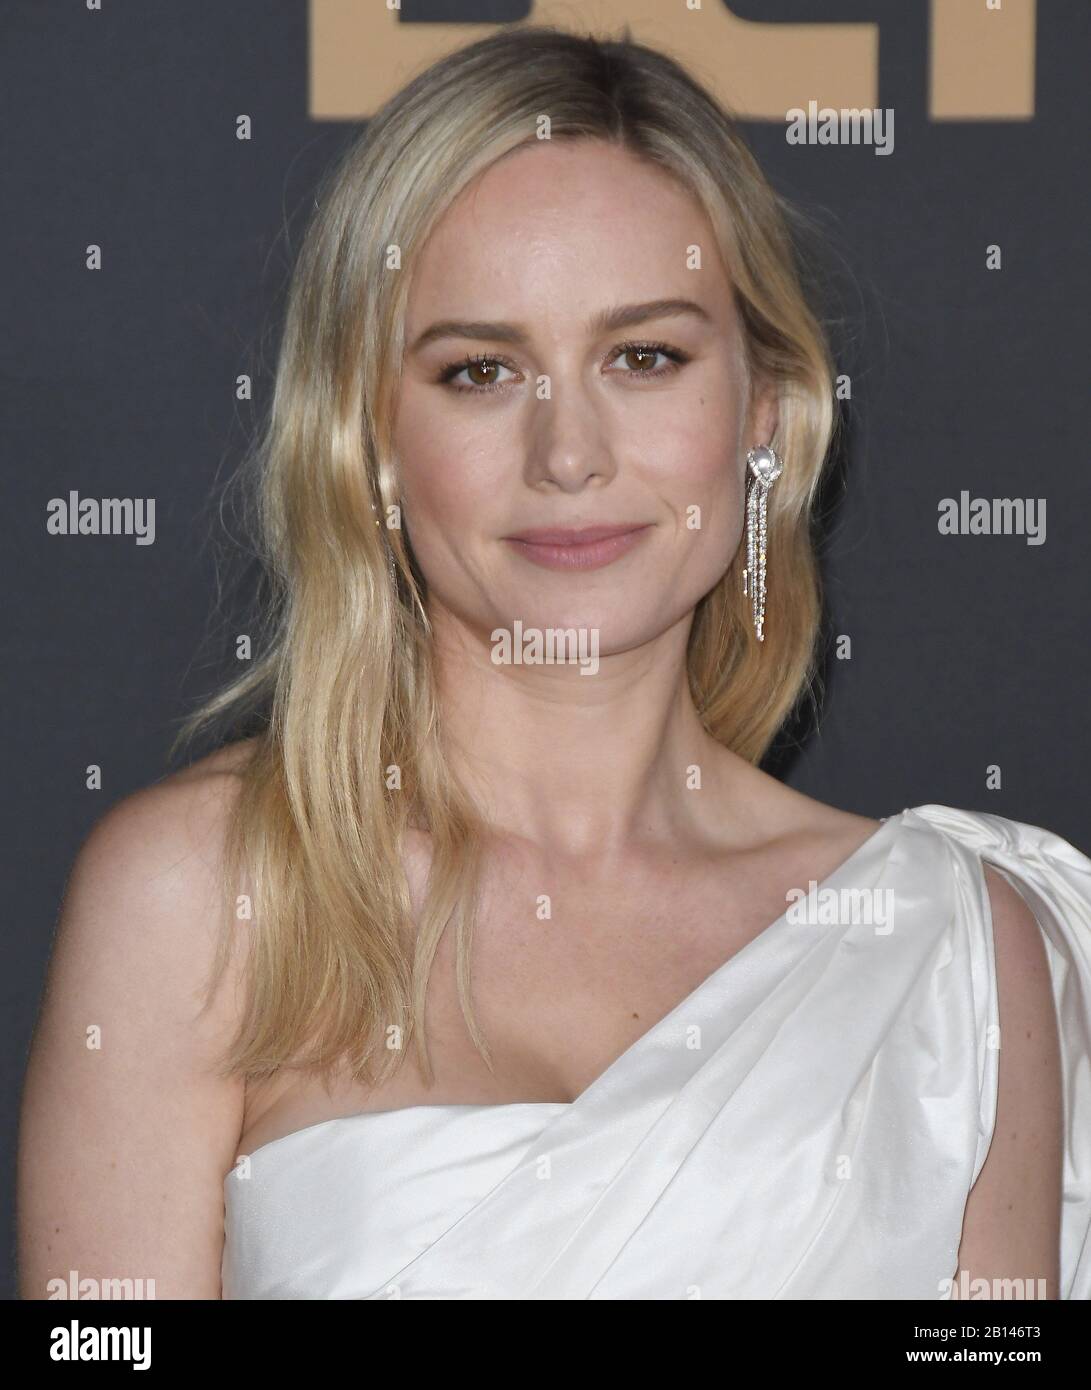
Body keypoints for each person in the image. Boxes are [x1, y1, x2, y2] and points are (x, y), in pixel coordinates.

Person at [17, 25, 1091, 1301]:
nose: (568, 453)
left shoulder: (952, 949)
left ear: (762, 411)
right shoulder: (202, 896)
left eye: (643, 356)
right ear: (369, 437)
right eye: (481, 371)